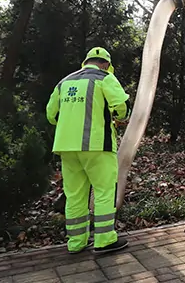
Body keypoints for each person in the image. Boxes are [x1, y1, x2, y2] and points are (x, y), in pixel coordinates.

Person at [46, 47, 130, 254]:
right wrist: (119, 117)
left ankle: (76, 242)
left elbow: (50, 114)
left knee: (74, 195)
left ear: (86, 62)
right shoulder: (105, 78)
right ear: (106, 65)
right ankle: (104, 240)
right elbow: (122, 106)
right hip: (97, 146)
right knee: (104, 191)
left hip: (66, 148)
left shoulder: (63, 82)